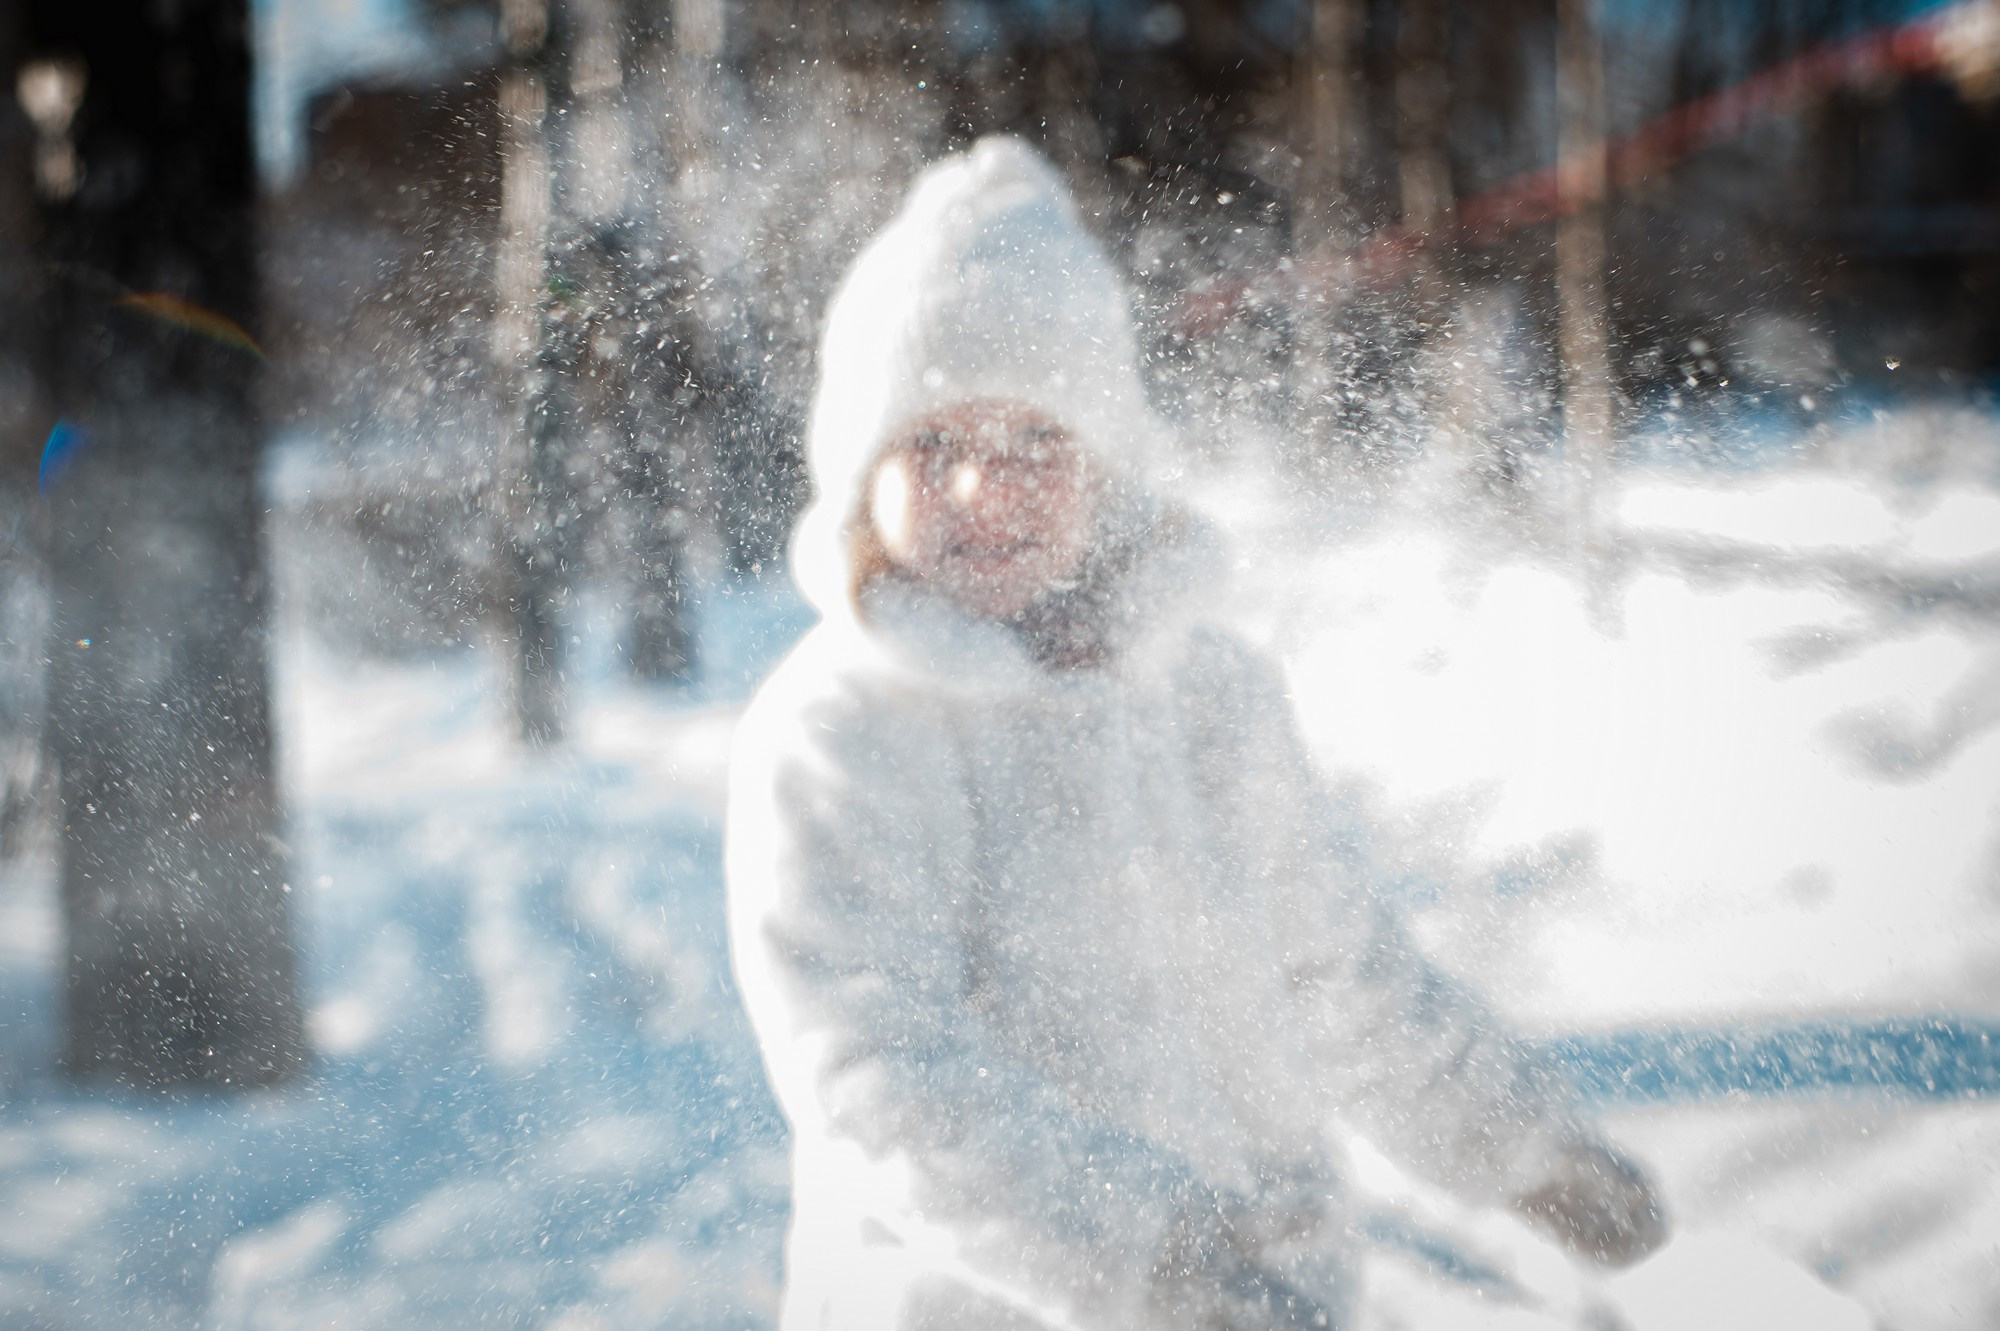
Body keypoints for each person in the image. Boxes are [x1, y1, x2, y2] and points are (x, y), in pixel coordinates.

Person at [726, 136, 1665, 1331]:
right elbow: (874, 1069)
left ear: (1108, 469)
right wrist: (1154, 1265)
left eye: (1036, 442)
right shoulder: (843, 730)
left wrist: (1521, 1145)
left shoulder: (1204, 694)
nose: (982, 488)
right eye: (934, 445)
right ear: (859, 475)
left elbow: (1338, 972)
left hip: (1275, 1286)